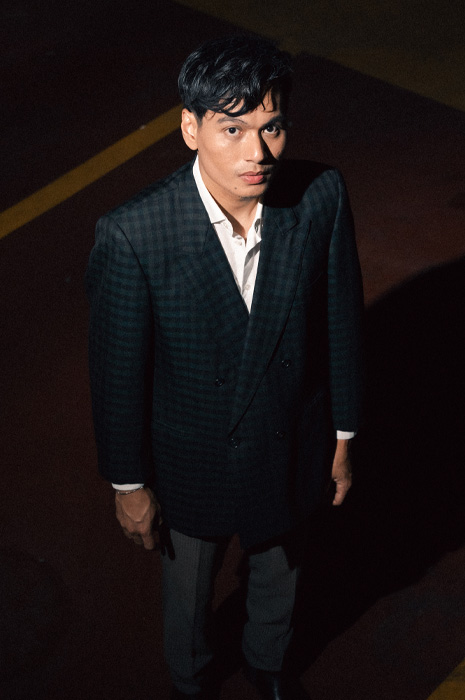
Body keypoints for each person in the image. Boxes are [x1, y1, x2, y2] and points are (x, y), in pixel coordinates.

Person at [86, 35, 363, 700]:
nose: (256, 153)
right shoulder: (134, 234)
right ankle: (190, 679)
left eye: (271, 127)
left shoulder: (319, 196)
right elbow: (117, 374)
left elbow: (342, 323)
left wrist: (343, 435)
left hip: (290, 433)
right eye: (231, 129)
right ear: (191, 128)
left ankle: (268, 663)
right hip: (192, 456)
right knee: (189, 588)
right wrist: (128, 483)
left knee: (281, 568)